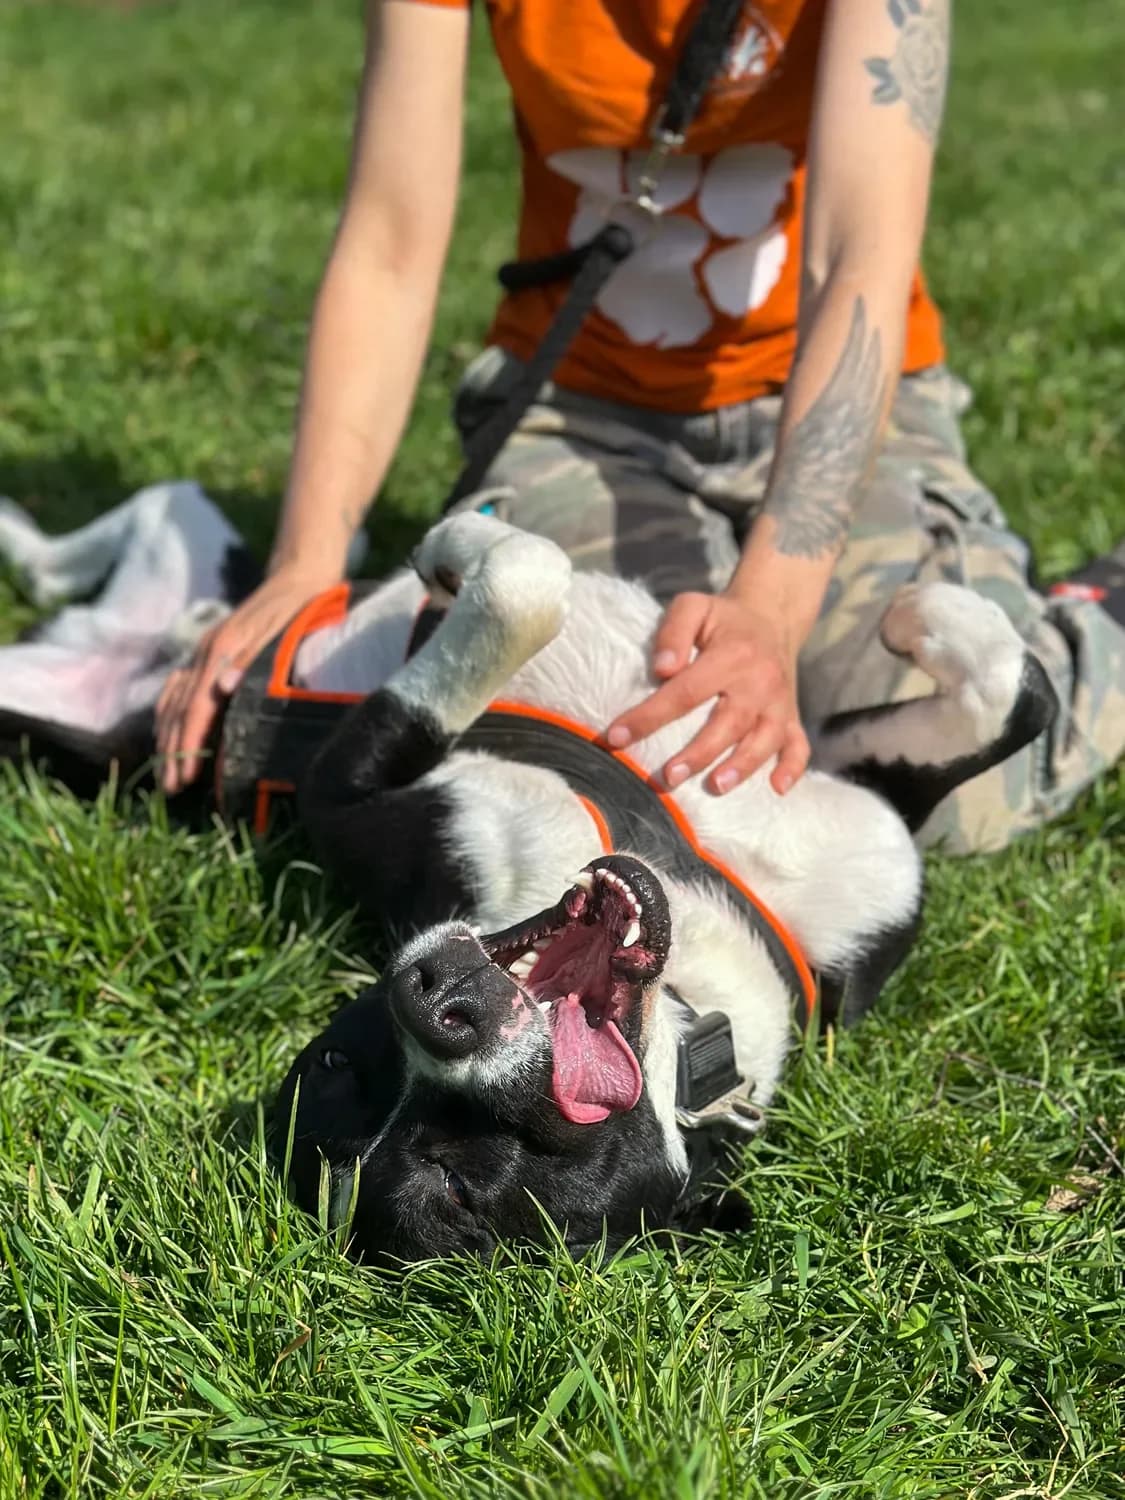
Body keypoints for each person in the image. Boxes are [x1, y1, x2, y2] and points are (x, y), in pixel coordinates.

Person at [156, 0, 1125, 853]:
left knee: (958, 787)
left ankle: (1103, 616)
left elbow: (854, 258)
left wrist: (770, 616)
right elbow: (389, 243)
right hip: (583, 416)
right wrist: (305, 564)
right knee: (638, 762)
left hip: (842, 404)